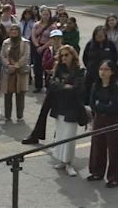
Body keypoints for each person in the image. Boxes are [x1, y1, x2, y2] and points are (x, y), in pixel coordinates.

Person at [88, 60, 118, 188]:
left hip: (113, 120)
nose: (103, 72)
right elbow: (92, 103)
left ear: (112, 72)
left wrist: (101, 105)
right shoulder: (96, 85)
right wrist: (103, 106)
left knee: (114, 149)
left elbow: (115, 107)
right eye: (101, 69)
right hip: (99, 119)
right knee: (97, 145)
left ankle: (114, 178)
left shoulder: (116, 89)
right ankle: (97, 172)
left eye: (106, 69)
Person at [49, 45, 85, 177]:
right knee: (60, 134)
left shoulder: (79, 70)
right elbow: (52, 84)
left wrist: (61, 86)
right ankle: (61, 161)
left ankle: (69, 163)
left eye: (67, 55)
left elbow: (78, 89)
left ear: (73, 56)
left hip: (72, 107)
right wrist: (65, 86)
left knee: (69, 136)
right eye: (62, 55)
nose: (64, 58)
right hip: (60, 106)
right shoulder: (59, 68)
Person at [0, 25, 30, 121]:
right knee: (8, 94)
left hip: (20, 71)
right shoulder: (6, 42)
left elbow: (26, 56)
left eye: (15, 29)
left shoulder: (25, 42)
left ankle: (19, 116)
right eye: (11, 29)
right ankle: (7, 116)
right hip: (8, 72)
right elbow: (2, 55)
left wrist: (16, 65)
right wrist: (8, 65)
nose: (13, 31)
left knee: (20, 94)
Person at [83, 25, 118, 104]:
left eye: (101, 35)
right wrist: (90, 67)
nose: (99, 37)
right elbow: (85, 58)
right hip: (92, 74)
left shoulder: (110, 44)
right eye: (97, 35)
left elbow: (115, 57)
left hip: (106, 75)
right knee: (89, 93)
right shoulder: (90, 44)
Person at [31, 7, 56, 93]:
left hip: (47, 47)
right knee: (37, 66)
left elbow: (52, 39)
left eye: (47, 14)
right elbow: (33, 36)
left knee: (47, 65)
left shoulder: (52, 26)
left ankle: (48, 85)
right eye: (44, 14)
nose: (45, 16)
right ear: (41, 14)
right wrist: (37, 46)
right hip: (37, 46)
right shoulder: (36, 25)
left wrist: (43, 47)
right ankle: (38, 85)